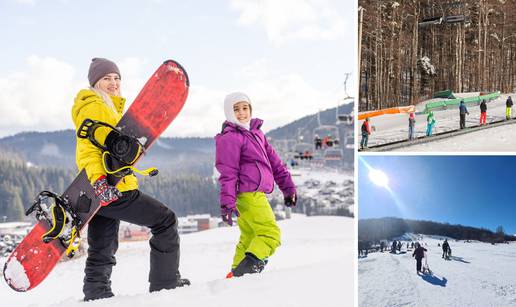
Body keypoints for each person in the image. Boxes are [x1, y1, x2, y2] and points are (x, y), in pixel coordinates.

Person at [72, 58, 189, 301]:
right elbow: (88, 150)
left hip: (101, 190)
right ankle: (165, 282)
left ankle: (96, 292)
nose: (113, 83)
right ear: (95, 82)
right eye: (106, 78)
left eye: (117, 78)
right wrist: (100, 181)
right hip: (111, 186)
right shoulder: (95, 106)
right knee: (165, 221)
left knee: (102, 244)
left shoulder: (108, 106)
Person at [215, 92, 297, 278]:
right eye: (236, 109)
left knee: (250, 236)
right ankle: (246, 273)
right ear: (229, 112)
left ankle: (234, 274)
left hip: (254, 194)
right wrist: (227, 202)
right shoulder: (230, 137)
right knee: (270, 234)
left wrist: (288, 188)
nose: (242, 113)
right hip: (247, 194)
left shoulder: (257, 133)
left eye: (245, 108)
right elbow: (228, 173)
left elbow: (275, 163)